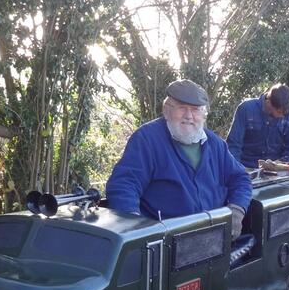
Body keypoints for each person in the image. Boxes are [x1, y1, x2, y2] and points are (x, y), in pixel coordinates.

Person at [106, 79, 252, 233]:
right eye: (182, 108)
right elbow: (124, 185)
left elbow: (240, 178)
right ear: (167, 110)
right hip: (167, 241)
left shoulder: (215, 144)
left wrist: (236, 211)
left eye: (195, 110)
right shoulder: (147, 139)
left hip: (213, 238)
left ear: (203, 115)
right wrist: (135, 229)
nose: (189, 116)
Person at [226, 83, 289, 169]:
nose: (282, 116)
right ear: (268, 102)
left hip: (277, 170)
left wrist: (280, 164)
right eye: (279, 112)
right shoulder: (246, 109)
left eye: (286, 113)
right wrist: (236, 170)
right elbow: (234, 144)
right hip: (246, 167)